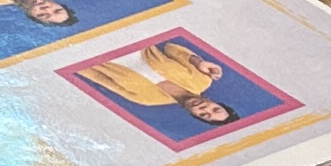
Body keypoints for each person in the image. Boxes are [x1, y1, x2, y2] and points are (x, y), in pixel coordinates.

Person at [75, 40, 240, 125]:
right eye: (215, 108)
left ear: (194, 115)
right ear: (215, 102)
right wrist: (198, 62)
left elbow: (98, 78)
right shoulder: (202, 79)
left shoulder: (147, 100)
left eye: (204, 114)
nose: (204, 108)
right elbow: (171, 47)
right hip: (128, 37)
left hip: (92, 50)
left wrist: (73, 56)